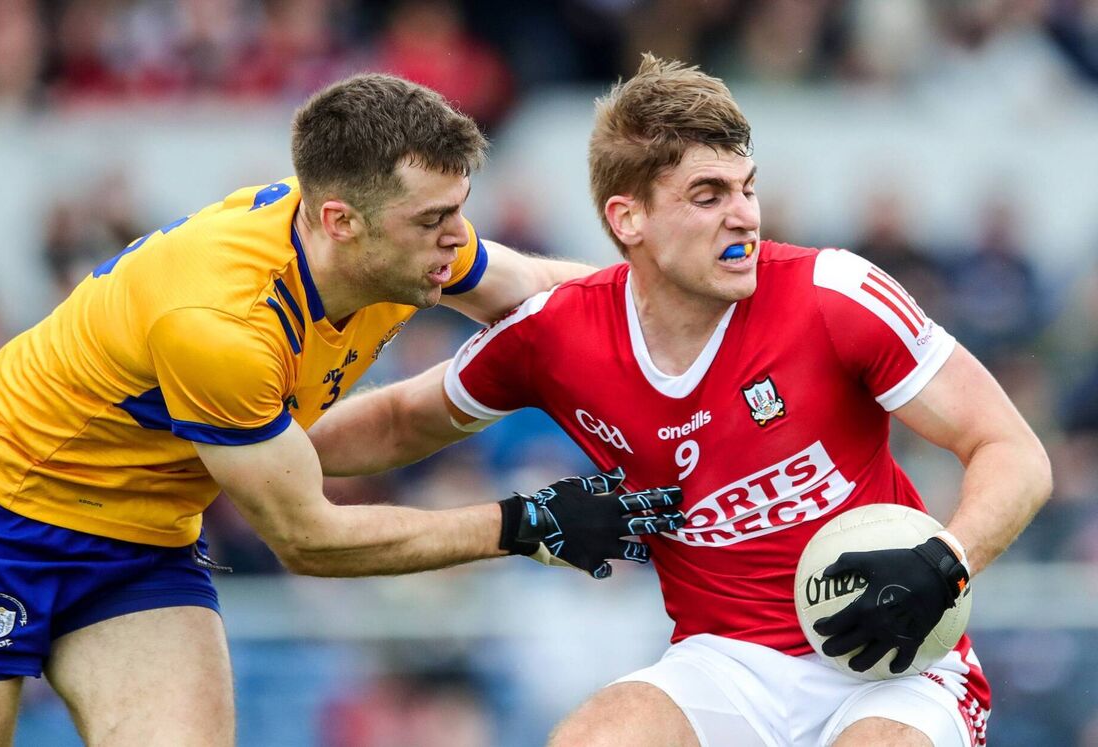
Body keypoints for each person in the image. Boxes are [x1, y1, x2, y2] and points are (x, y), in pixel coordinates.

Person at [0, 73, 686, 746]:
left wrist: (695, 304)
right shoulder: (223, 329)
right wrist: (525, 524)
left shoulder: (396, 247)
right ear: (341, 221)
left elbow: (552, 297)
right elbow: (309, 538)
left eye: (458, 209)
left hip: (143, 538)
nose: (458, 239)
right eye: (432, 220)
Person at [308, 55, 1053, 746]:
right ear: (627, 218)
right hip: (729, 663)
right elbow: (399, 421)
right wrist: (255, 446)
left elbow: (1012, 450)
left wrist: (948, 559)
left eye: (747, 188)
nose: (744, 215)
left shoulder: (837, 294)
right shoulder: (556, 335)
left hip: (899, 665)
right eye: (708, 195)